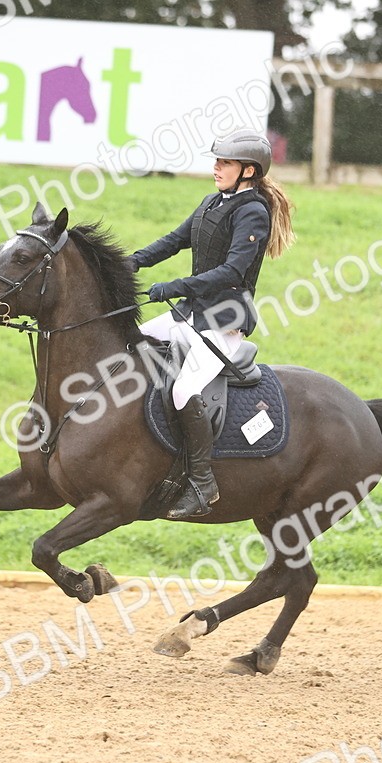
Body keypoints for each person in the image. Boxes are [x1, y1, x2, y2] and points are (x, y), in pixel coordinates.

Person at [128, 128, 296, 519]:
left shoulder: (252, 211)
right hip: (190, 312)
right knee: (133, 343)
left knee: (185, 390)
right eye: (216, 161)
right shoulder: (212, 202)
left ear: (249, 171)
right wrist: (132, 261)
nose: (216, 167)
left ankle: (203, 482)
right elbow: (174, 240)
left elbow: (233, 270)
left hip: (224, 320)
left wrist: (175, 285)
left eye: (225, 162)